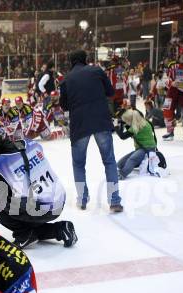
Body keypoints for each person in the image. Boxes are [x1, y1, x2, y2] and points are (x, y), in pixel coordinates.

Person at [0, 130, 77, 249]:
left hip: (41, 208)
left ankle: (24, 233)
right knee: (25, 206)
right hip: (58, 199)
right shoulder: (29, 143)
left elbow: (0, 195)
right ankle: (60, 229)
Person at [60, 49, 123, 212]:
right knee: (109, 161)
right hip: (101, 121)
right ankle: (114, 200)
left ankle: (82, 198)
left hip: (79, 125)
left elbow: (64, 105)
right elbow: (110, 92)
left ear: (71, 62)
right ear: (86, 59)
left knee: (79, 164)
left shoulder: (66, 79)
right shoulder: (97, 71)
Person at [115, 108, 157, 179]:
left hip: (147, 150)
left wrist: (116, 126)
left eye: (126, 120)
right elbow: (128, 130)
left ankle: (122, 174)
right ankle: (141, 162)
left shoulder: (136, 127)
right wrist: (123, 124)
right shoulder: (144, 122)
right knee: (120, 164)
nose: (125, 122)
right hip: (141, 149)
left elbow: (122, 136)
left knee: (132, 159)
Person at [162, 50, 183, 140]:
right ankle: (170, 132)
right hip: (173, 91)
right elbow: (165, 78)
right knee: (167, 109)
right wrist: (171, 83)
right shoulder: (172, 65)